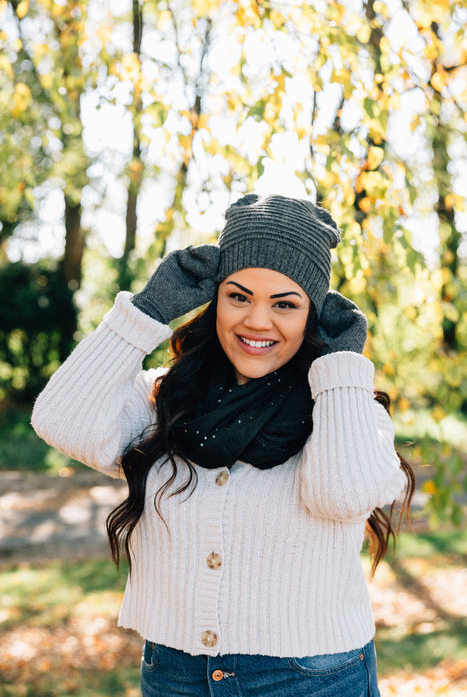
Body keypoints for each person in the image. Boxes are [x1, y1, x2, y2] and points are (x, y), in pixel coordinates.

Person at [32, 193, 414, 696]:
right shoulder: (164, 399)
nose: (257, 320)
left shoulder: (346, 410)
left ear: (314, 316)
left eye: (285, 304)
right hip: (175, 676)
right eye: (239, 296)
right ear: (215, 300)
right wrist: (144, 313)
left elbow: (339, 495)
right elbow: (61, 420)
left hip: (308, 681)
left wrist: (341, 366)